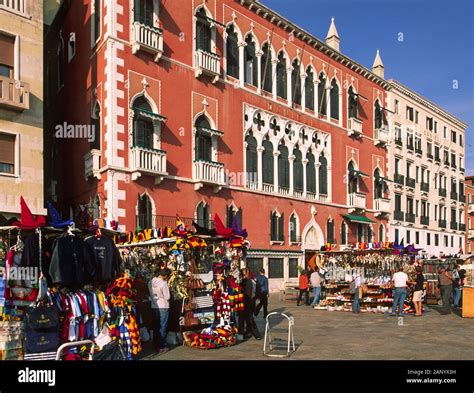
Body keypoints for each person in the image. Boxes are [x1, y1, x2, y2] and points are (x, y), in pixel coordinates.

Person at [148, 268, 171, 352]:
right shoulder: (164, 283)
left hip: (154, 306)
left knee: (156, 326)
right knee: (163, 327)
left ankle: (155, 345)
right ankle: (161, 346)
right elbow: (167, 297)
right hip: (163, 306)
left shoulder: (150, 282)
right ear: (165, 275)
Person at [241, 268, 261, 340]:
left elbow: (249, 293)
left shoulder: (248, 281)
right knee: (247, 318)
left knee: (249, 319)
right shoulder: (250, 281)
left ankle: (256, 334)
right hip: (250, 302)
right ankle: (248, 331)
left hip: (248, 302)